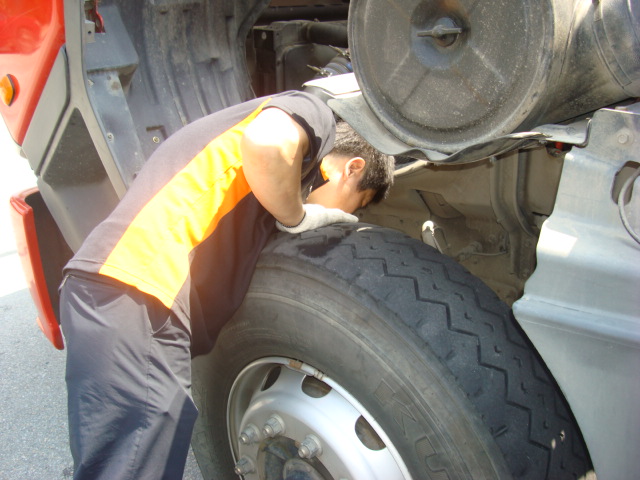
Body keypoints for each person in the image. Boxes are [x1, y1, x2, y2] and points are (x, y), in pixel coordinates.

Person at [58, 90, 394, 479]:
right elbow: (266, 144)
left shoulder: (258, 189)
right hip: (135, 290)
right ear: (352, 169)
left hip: (127, 296)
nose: (348, 215)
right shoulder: (312, 112)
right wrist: (299, 216)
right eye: (358, 203)